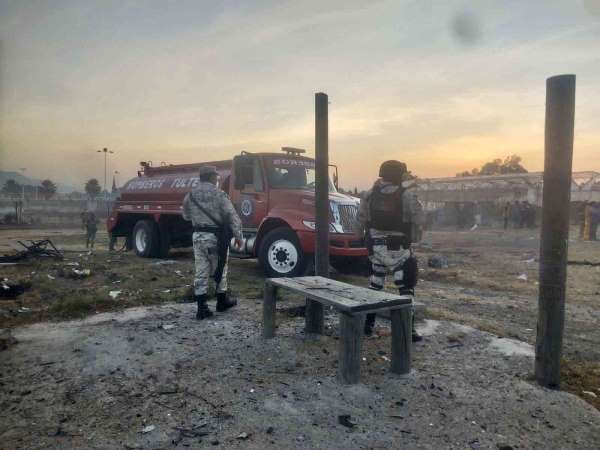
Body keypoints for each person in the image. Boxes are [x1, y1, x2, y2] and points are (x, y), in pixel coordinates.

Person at [356, 160, 423, 341]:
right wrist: (414, 238)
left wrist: (365, 241)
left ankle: (367, 326)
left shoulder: (369, 194)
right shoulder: (407, 195)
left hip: (376, 248)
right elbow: (418, 219)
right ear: (398, 175)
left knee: (375, 284)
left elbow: (360, 220)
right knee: (405, 286)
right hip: (398, 248)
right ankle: (409, 331)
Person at [182, 165, 243, 320]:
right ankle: (222, 302)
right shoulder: (219, 194)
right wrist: (238, 236)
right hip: (215, 238)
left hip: (197, 237)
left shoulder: (190, 195)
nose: (218, 179)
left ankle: (201, 308)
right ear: (211, 177)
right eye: (216, 177)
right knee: (220, 268)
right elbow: (232, 216)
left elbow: (186, 216)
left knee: (201, 270)